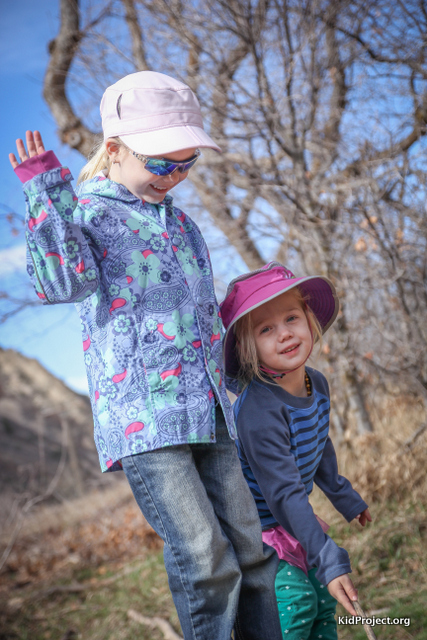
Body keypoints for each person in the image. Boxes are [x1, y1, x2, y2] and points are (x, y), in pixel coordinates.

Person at [9, 71, 283, 640]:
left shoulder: (182, 227)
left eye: (186, 164)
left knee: (254, 553)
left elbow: (205, 318)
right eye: (162, 164)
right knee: (207, 562)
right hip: (146, 422)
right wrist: (44, 193)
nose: (175, 177)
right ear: (114, 149)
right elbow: (61, 282)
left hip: (211, 411)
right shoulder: (85, 214)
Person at [220, 262, 372, 640]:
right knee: (297, 603)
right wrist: (329, 557)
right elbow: (284, 492)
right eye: (265, 329)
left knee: (323, 601)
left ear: (309, 320)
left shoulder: (315, 383)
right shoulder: (258, 409)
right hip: (258, 529)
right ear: (247, 346)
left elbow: (318, 443)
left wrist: (344, 496)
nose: (284, 334)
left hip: (288, 517)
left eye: (291, 318)